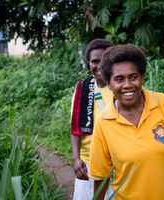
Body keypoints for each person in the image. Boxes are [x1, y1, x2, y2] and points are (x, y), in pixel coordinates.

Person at [89, 44, 164, 200]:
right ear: (109, 84)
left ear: (142, 77)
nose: (127, 85)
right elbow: (101, 176)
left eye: (133, 77)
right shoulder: (103, 121)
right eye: (119, 79)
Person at [70, 38, 114, 200]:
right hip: (88, 162)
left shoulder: (123, 88)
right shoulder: (83, 88)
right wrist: (76, 158)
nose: (100, 65)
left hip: (118, 160)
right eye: (95, 61)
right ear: (88, 63)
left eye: (105, 60)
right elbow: (75, 128)